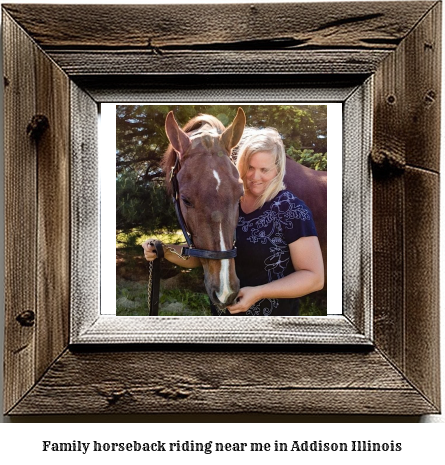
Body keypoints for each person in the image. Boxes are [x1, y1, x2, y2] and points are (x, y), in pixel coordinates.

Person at [142, 127, 324, 316]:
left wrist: (259, 293)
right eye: (250, 167)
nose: (255, 177)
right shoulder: (230, 203)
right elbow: (208, 254)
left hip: (271, 325)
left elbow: (313, 277)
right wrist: (162, 250)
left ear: (278, 169)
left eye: (264, 169)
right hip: (225, 320)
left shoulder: (291, 209)